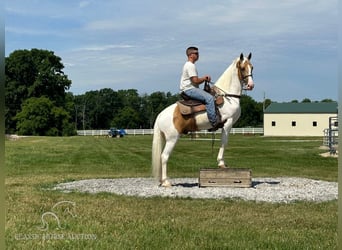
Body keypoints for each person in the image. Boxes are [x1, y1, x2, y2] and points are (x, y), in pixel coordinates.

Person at [179, 46, 221, 129]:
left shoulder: (189, 65)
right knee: (209, 98)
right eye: (196, 53)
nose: (198, 55)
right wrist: (204, 78)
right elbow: (195, 81)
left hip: (189, 89)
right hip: (189, 90)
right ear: (190, 55)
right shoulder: (190, 65)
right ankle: (214, 122)